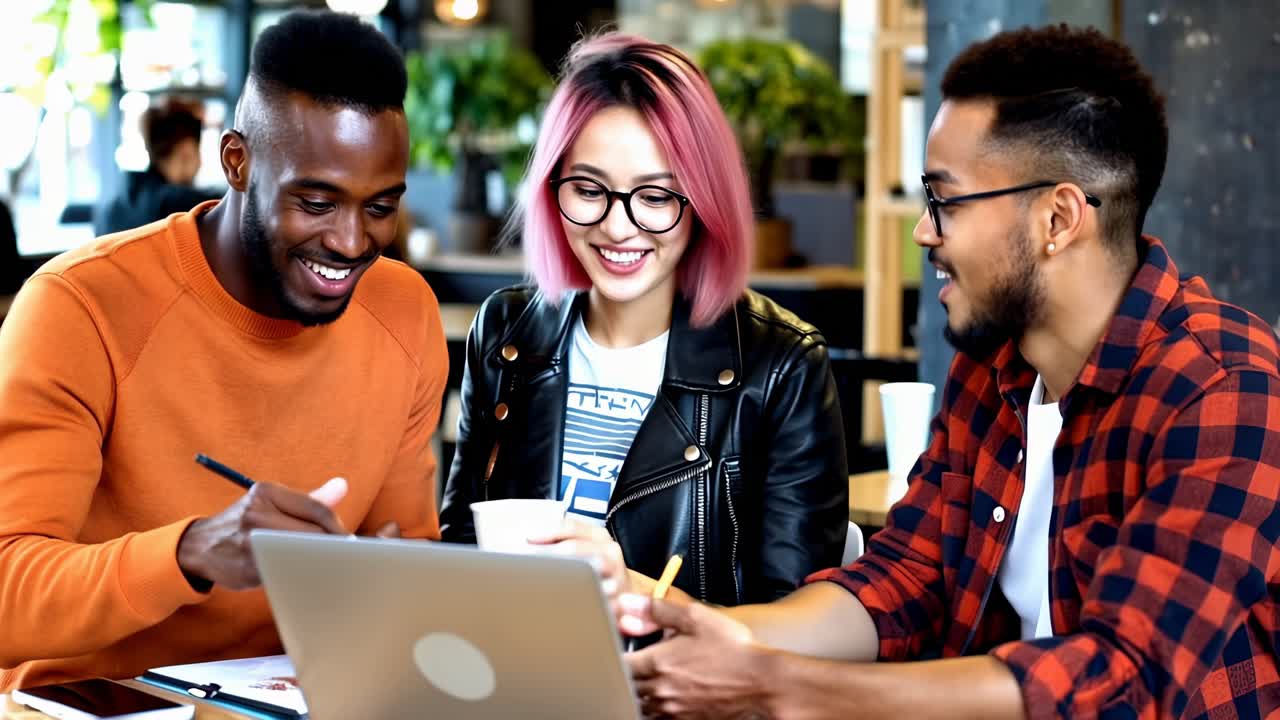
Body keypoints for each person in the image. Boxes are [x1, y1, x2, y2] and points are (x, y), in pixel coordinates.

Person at [613, 24, 1280, 719]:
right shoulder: (995, 370)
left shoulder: (1222, 385)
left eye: (944, 199)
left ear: (1058, 217)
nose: (923, 232)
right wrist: (710, 629)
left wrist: (773, 687)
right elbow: (905, 577)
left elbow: (1123, 677)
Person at [0, 10, 447, 692]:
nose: (353, 242)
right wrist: (189, 553)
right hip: (96, 701)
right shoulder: (78, 306)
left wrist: (392, 587)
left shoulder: (405, 310)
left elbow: (407, 562)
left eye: (379, 207)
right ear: (236, 161)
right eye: (318, 202)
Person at [438, 33, 848, 608]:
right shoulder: (506, 334)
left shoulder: (781, 366)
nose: (617, 227)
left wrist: (628, 590)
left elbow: (795, 631)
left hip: (680, 693)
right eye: (588, 189)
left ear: (705, 203)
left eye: (655, 197)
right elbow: (460, 550)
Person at [95, 99, 220, 236]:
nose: (200, 163)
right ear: (186, 150)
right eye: (198, 151)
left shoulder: (111, 207)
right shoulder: (181, 205)